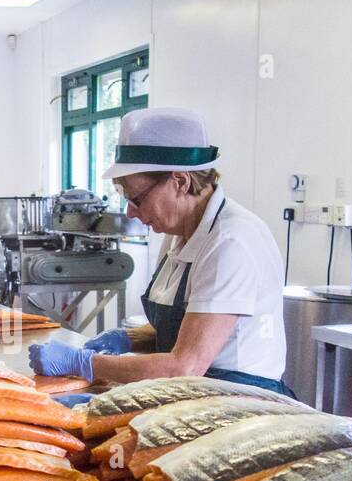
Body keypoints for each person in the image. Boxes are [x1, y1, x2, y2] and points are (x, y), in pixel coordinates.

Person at [29, 108, 292, 399]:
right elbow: (184, 330)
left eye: (137, 198)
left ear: (179, 181)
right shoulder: (177, 235)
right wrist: (128, 339)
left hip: (241, 403)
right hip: (193, 393)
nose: (130, 211)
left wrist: (84, 364)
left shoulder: (231, 241)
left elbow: (184, 365)